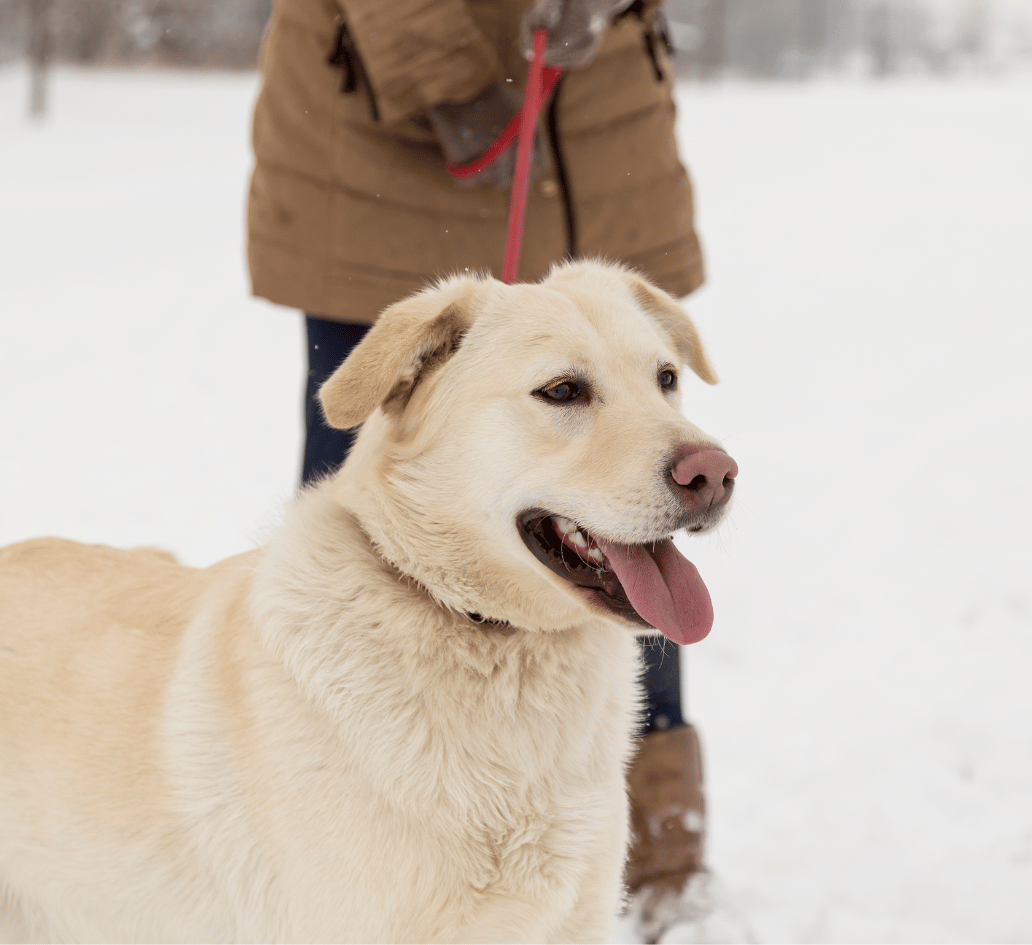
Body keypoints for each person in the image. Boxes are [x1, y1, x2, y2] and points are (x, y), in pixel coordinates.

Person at [246, 1, 735, 939]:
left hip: (594, 122)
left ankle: (647, 827)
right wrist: (437, 63)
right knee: (377, 511)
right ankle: (320, 827)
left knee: (620, 518)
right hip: (386, 124)